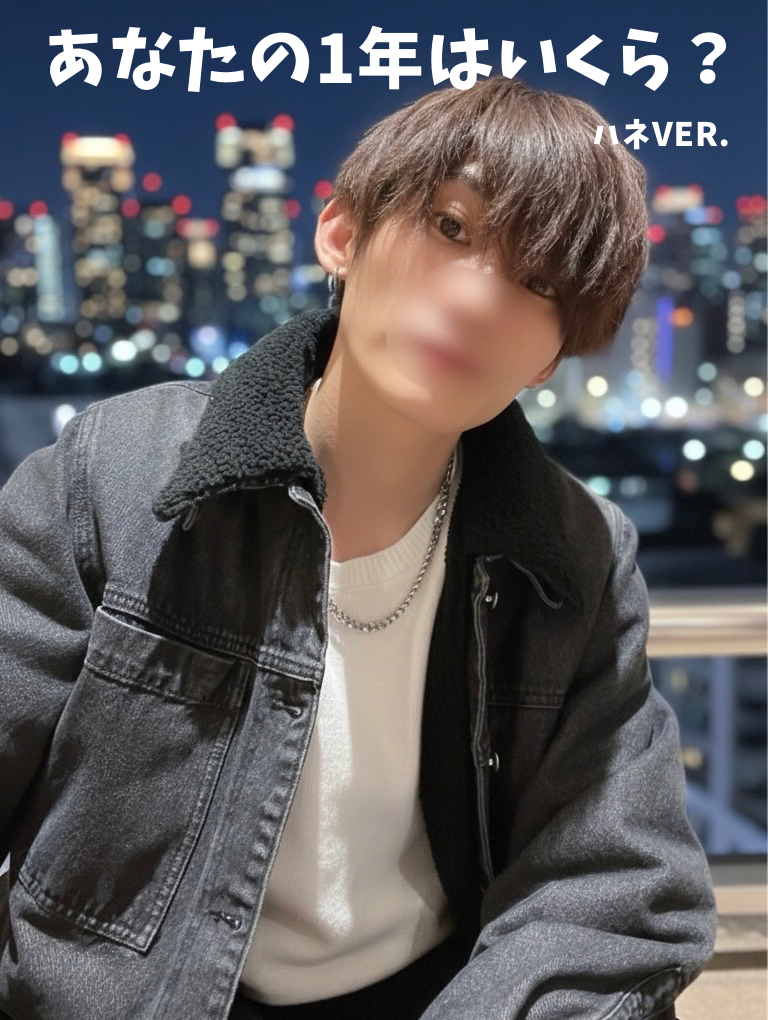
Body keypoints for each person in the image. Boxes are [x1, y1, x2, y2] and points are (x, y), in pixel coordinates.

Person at [0, 76, 716, 1019]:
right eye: (451, 227)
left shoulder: (576, 554)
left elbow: (619, 885)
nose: (476, 297)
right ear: (341, 233)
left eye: (539, 282)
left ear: (550, 356)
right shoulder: (113, 477)